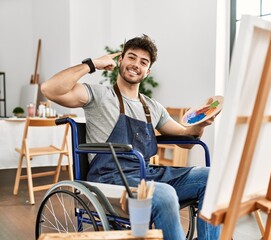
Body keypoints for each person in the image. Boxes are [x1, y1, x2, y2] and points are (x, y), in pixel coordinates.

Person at [41, 34, 220, 240]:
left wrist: (200, 123)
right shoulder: (98, 95)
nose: (136, 64)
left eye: (143, 62)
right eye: (131, 57)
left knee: (213, 178)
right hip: (109, 179)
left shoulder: (152, 107)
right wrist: (92, 64)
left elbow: (186, 138)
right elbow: (49, 89)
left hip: (146, 174)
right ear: (120, 61)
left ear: (148, 71)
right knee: (164, 194)